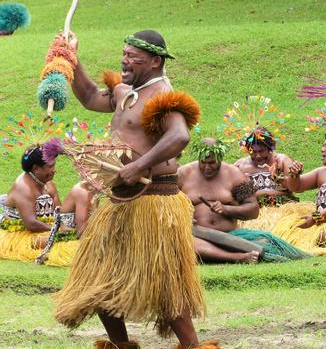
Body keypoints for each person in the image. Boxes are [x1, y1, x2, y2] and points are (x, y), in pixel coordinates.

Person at [52, 30, 215, 348]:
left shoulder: (163, 96)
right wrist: (72, 58)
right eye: (124, 54)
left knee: (167, 288)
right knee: (98, 282)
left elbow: (179, 136)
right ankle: (121, 345)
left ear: (155, 61)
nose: (124, 61)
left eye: (133, 57)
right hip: (119, 201)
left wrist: (140, 165)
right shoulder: (125, 91)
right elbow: (88, 97)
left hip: (154, 202)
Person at [178, 138, 310, 263]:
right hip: (196, 234)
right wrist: (183, 217)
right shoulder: (183, 174)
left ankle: (224, 252)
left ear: (220, 158)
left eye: (212, 163)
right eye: (203, 162)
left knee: (265, 242)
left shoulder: (234, 175)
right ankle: (238, 257)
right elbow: (168, 204)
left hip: (229, 235)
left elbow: (253, 210)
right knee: (190, 244)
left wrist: (226, 209)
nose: (207, 167)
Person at [0, 143, 77, 267]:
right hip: (21, 234)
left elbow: (60, 212)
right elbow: (31, 224)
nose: (54, 170)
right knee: (56, 240)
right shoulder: (23, 188)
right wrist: (59, 230)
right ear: (36, 169)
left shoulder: (48, 183)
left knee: (73, 235)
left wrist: (70, 224)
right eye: (50, 166)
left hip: (46, 229)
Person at [233, 127, 310, 231]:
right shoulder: (240, 166)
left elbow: (294, 188)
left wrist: (284, 176)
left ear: (271, 148)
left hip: (284, 212)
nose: (258, 156)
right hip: (254, 215)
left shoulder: (282, 161)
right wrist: (267, 192)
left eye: (262, 151)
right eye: (253, 152)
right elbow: (234, 195)